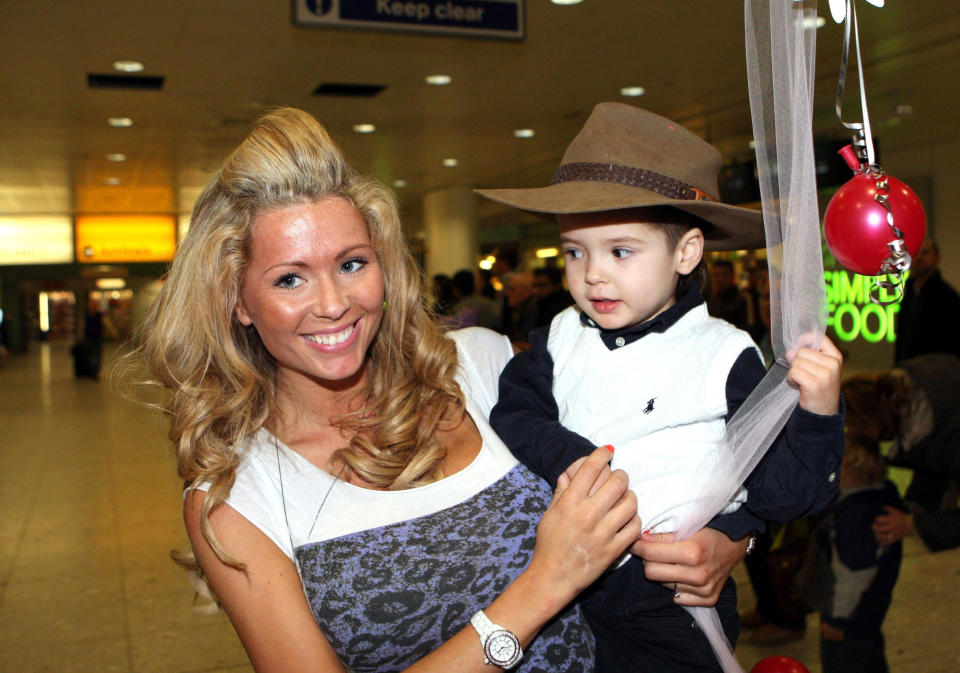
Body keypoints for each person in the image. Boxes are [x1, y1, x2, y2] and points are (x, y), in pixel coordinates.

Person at [133, 107, 744, 673]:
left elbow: (667, 430)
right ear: (238, 301)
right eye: (290, 278)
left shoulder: (481, 366)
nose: (333, 304)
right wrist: (544, 586)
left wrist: (727, 542)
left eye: (351, 264)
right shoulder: (239, 496)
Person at [477, 102, 845, 673]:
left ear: (686, 252)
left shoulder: (725, 355)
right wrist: (574, 459)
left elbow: (783, 495)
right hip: (561, 586)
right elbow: (515, 412)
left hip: (667, 603)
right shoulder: (560, 335)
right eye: (575, 252)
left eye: (620, 251)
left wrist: (818, 414)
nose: (593, 273)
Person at [799, 437, 904, 673]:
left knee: (844, 663)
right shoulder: (883, 497)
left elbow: (853, 574)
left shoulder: (854, 517)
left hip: (849, 618)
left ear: (850, 470)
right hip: (871, 611)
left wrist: (838, 619)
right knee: (871, 659)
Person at [843, 354, 960, 552]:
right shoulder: (920, 384)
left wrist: (913, 523)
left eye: (857, 429)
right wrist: (914, 507)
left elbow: (944, 448)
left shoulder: (952, 434)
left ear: (871, 423)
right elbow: (933, 456)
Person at [894, 238, 960, 362]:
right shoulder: (909, 293)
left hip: (935, 372)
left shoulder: (948, 297)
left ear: (937, 258)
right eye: (915, 253)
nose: (919, 257)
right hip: (907, 369)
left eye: (925, 252)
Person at [706, 260, 750, 330]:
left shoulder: (741, 300)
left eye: (724, 275)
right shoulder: (710, 301)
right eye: (716, 275)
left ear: (732, 276)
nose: (720, 279)